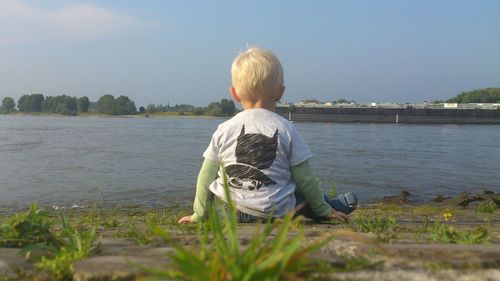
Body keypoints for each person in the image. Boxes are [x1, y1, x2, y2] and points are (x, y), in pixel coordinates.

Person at [178, 47, 357, 224]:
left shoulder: (224, 129)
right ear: (281, 92)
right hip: (275, 212)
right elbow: (306, 179)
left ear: (234, 94)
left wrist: (198, 214)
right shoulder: (286, 128)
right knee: (299, 190)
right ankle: (331, 206)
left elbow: (205, 177)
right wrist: (322, 209)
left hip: (230, 212)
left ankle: (210, 211)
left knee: (216, 183)